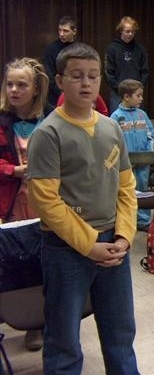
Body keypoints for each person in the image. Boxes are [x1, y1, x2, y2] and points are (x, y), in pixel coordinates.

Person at [27, 42, 140, 374]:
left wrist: (124, 236)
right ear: (60, 81)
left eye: (93, 76)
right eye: (76, 76)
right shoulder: (48, 133)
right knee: (63, 339)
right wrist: (89, 245)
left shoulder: (111, 127)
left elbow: (126, 187)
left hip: (113, 244)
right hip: (66, 248)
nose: (86, 83)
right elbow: (47, 201)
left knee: (120, 332)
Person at [0, 57, 52, 352]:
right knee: (16, 260)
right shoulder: (1, 121)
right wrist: (13, 171)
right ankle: (20, 316)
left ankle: (39, 322)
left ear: (35, 90)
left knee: (43, 260)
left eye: (21, 84)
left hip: (45, 202)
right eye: (9, 84)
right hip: (11, 203)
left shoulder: (50, 120)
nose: (14, 90)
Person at [110, 79, 154, 231]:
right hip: (126, 162)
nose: (141, 98)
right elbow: (112, 140)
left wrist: (149, 150)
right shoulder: (116, 117)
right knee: (127, 190)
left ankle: (143, 220)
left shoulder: (142, 114)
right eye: (138, 95)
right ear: (126, 97)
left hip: (143, 159)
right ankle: (128, 220)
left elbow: (150, 133)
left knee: (143, 189)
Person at [105, 16, 149, 113]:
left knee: (138, 119)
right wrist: (120, 88)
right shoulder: (112, 49)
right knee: (118, 119)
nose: (130, 34)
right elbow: (108, 73)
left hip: (136, 92)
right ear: (121, 31)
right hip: (118, 93)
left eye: (133, 31)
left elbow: (145, 71)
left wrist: (139, 88)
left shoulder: (140, 49)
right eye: (127, 31)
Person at [42, 16, 77, 107]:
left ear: (74, 31)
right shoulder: (51, 50)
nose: (61, 34)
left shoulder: (79, 49)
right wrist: (62, 93)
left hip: (76, 93)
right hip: (55, 96)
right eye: (59, 30)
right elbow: (49, 76)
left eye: (65, 31)